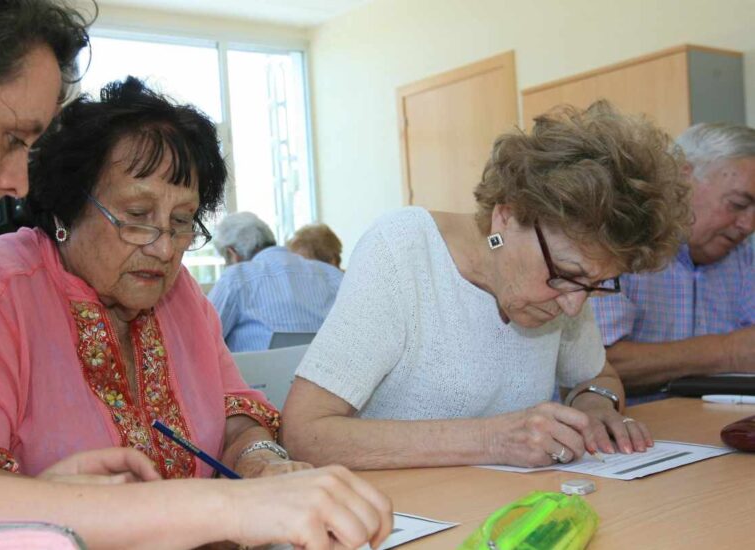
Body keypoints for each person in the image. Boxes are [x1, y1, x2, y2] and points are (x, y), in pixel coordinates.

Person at [0, 2, 392, 548]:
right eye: (14, 138)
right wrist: (234, 505)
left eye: (181, 223)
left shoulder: (182, 299)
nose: (17, 183)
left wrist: (256, 468)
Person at [0, 78, 311, 481]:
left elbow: (237, 413)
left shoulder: (179, 292)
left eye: (181, 221)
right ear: (68, 207)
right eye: (137, 216)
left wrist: (260, 460)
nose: (164, 249)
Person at [281, 102, 693, 471]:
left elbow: (596, 374)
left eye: (595, 284)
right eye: (568, 275)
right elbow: (304, 434)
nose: (573, 306)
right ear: (505, 218)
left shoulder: (564, 281)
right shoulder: (404, 250)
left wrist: (594, 402)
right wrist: (491, 439)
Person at [593, 123, 755, 401]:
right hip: (635, 430)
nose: (749, 225)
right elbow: (597, 363)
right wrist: (726, 352)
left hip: (719, 424)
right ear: (683, 179)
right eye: (738, 204)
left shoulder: (744, 257)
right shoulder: (621, 245)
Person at [208, 212, 344, 352]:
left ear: (232, 254)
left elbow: (202, 338)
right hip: (327, 369)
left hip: (258, 373)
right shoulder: (332, 275)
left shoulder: (236, 277)